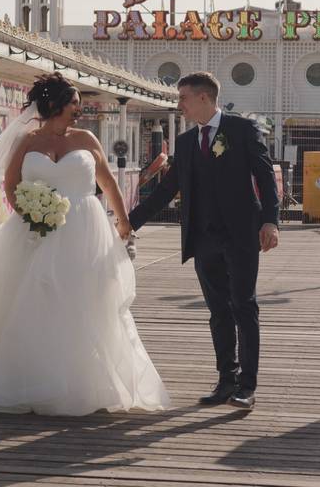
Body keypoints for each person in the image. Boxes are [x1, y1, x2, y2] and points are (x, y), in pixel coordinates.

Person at [0, 73, 169, 416]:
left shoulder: (87, 139)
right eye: (73, 102)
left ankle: (82, 376)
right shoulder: (28, 141)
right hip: (35, 231)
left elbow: (106, 182)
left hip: (84, 229)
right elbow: (12, 184)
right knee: (30, 298)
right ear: (55, 105)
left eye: (79, 103)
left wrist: (123, 221)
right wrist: (32, 214)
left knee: (84, 299)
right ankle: (26, 376)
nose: (79, 108)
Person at [129, 72, 279, 410]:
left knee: (244, 306)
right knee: (218, 312)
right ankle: (226, 379)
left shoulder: (242, 130)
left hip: (241, 234)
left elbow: (265, 176)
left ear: (202, 98)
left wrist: (271, 220)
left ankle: (247, 386)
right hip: (203, 239)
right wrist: (129, 223)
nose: (178, 105)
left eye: (182, 98)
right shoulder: (184, 142)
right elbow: (165, 192)